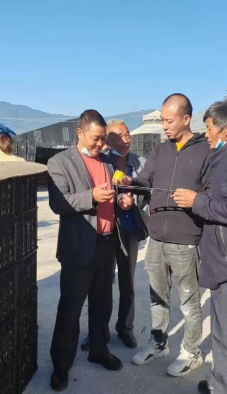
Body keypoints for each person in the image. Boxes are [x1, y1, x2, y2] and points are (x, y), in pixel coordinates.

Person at [115, 93, 210, 377]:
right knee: (157, 297)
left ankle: (192, 352)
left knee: (189, 303)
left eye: (169, 121)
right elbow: (146, 180)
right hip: (156, 239)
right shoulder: (160, 150)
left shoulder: (206, 150)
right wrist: (131, 182)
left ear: (186, 118)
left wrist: (194, 199)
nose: (164, 126)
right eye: (162, 121)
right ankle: (159, 344)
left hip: (186, 240)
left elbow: (213, 193)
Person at [173, 101, 227, 394]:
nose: (206, 133)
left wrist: (196, 201)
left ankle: (225, 388)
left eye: (209, 128)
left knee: (226, 333)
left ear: (226, 129)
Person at [47, 110, 128, 392]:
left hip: (106, 244)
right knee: (70, 309)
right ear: (80, 133)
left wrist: (122, 200)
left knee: (102, 304)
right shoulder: (60, 162)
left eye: (103, 139)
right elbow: (58, 203)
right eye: (96, 138)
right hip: (78, 248)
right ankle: (61, 364)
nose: (101, 144)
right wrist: (91, 197)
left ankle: (98, 349)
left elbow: (111, 196)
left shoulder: (106, 161)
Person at [80, 119, 149, 351]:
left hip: (129, 231)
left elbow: (148, 190)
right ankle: (97, 331)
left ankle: (125, 328)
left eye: (127, 134)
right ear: (107, 141)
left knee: (127, 284)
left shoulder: (140, 163)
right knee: (101, 285)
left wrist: (134, 199)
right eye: (118, 137)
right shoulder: (102, 162)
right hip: (107, 231)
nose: (125, 140)